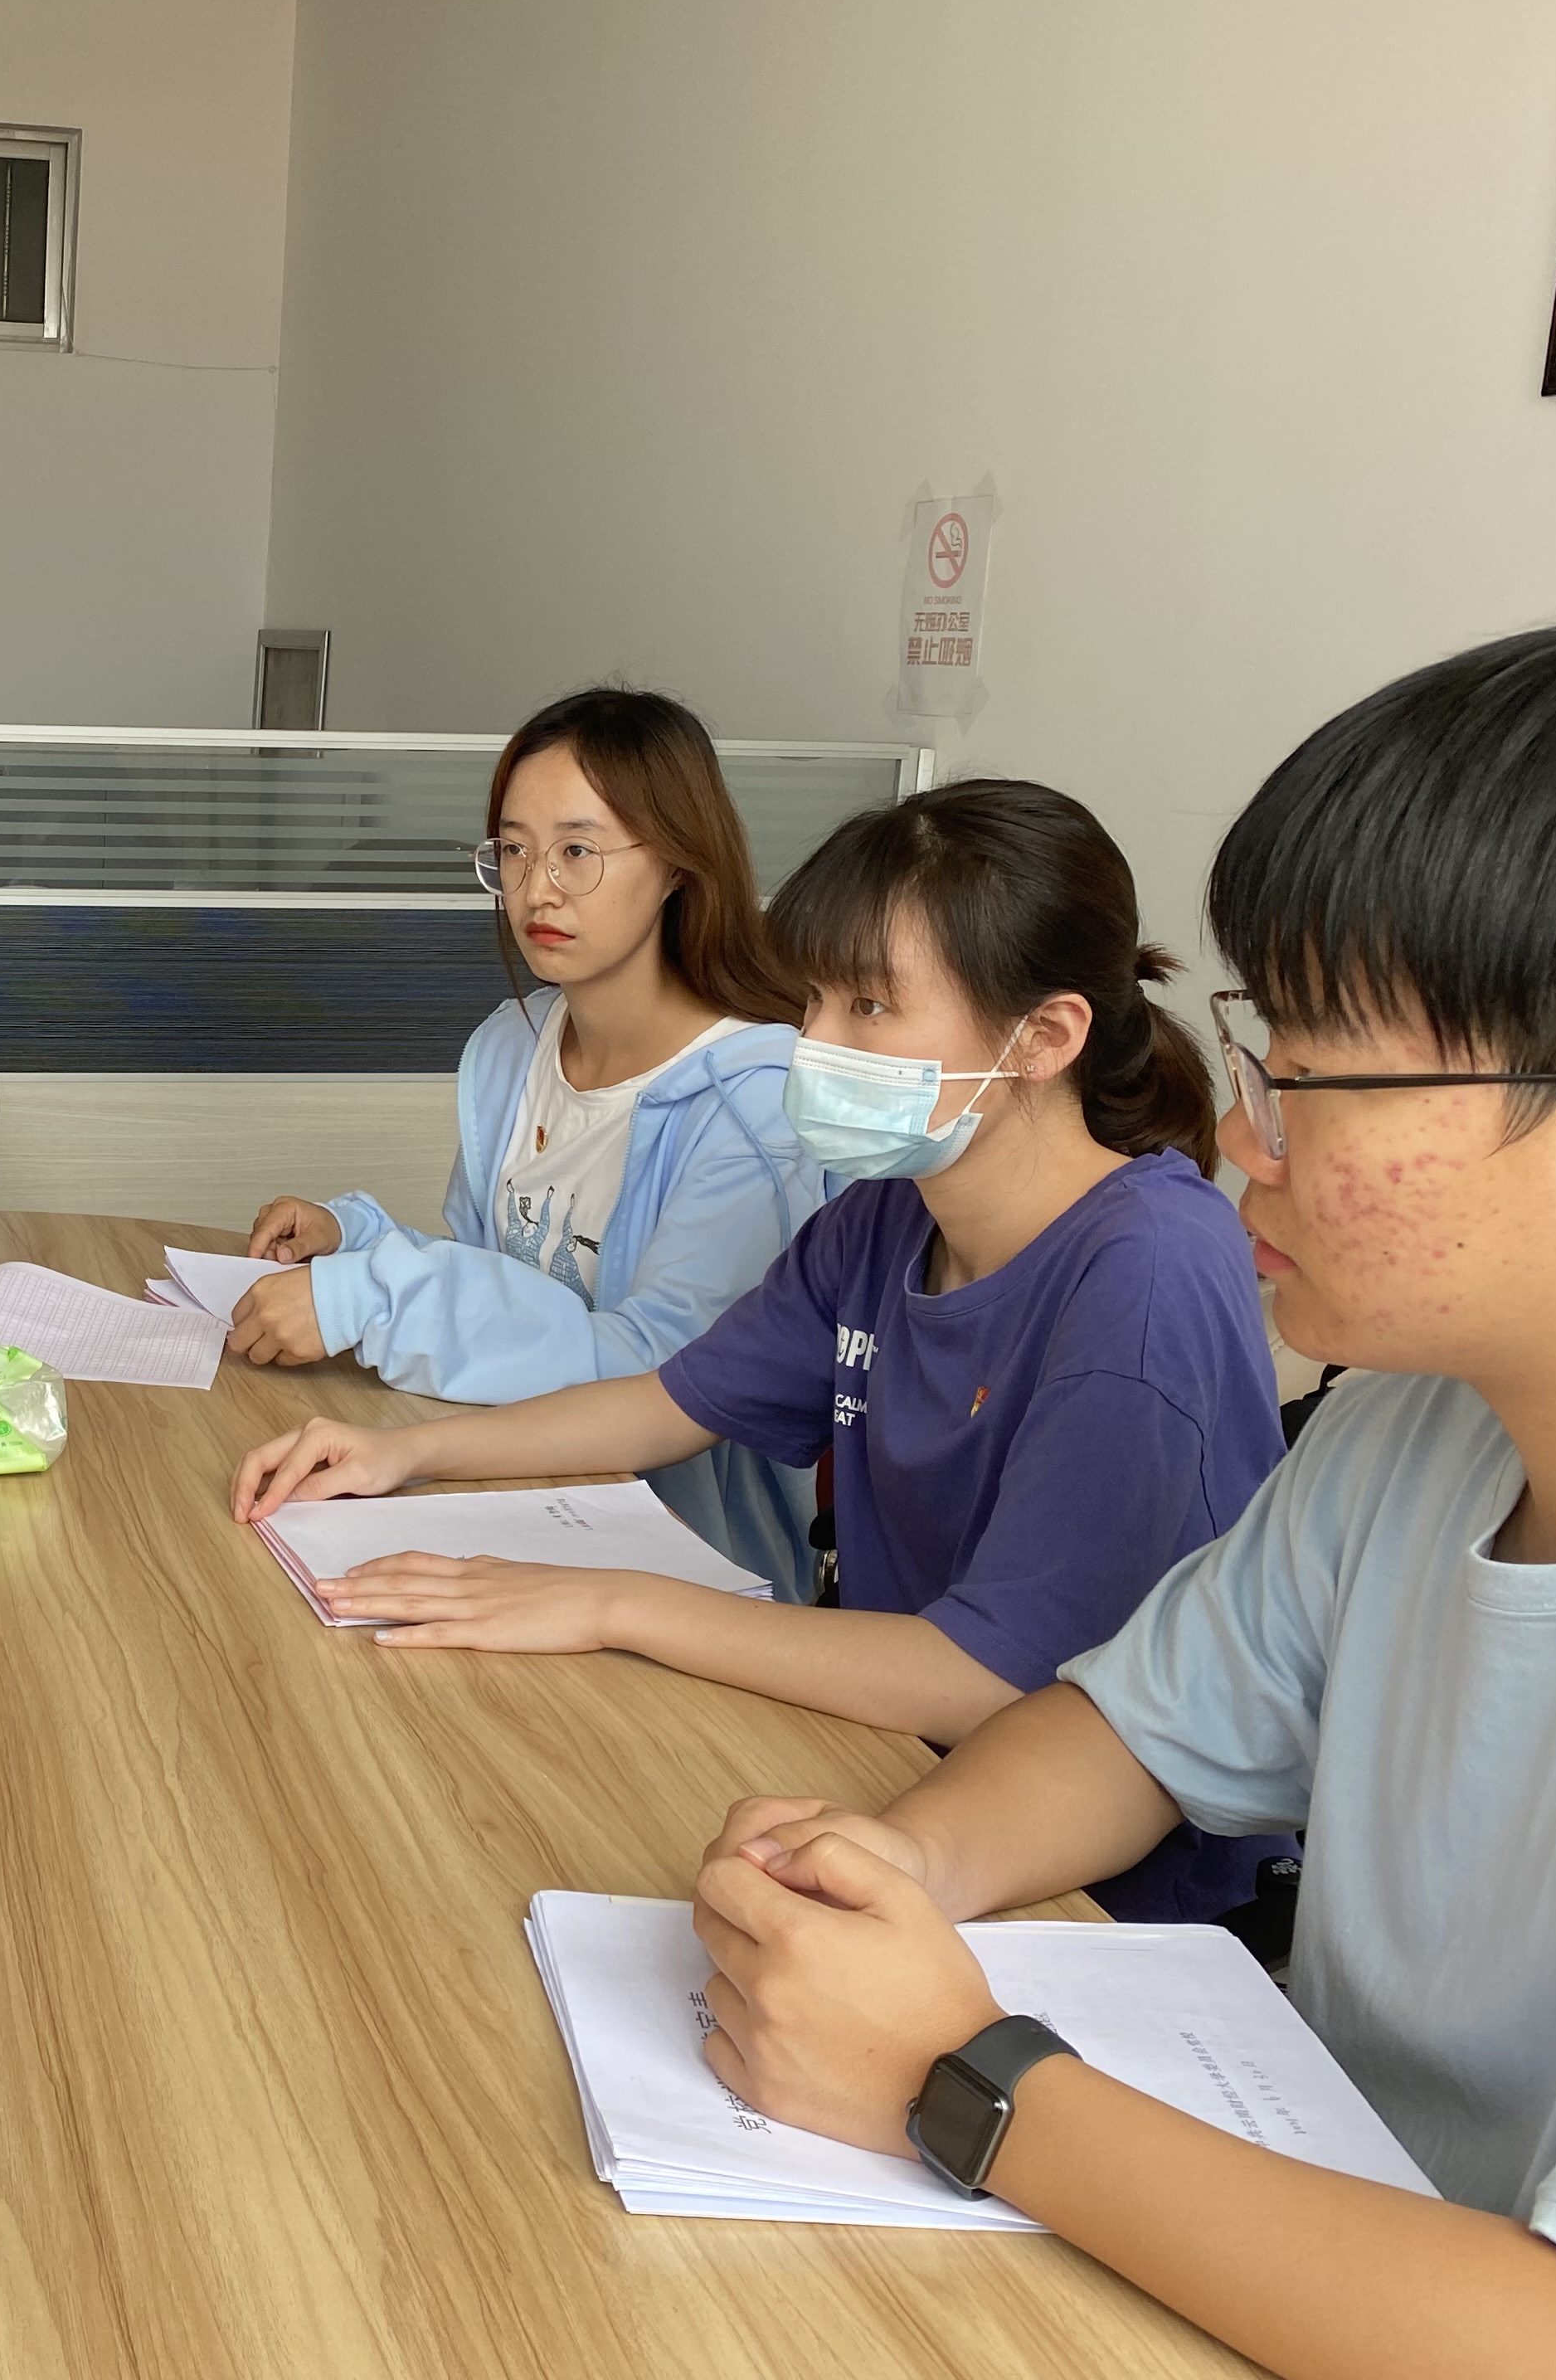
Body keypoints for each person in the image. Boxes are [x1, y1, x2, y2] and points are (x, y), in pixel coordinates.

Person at [683, 622, 1556, 2376]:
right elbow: (1136, 1728)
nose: (1247, 1136)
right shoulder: (1414, 1431)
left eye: (1309, 1078)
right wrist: (907, 1862)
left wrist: (965, 2082)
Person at [236, 778, 1286, 1924]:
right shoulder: (886, 1216)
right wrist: (410, 1455)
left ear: (1043, 1038)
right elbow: (670, 1402)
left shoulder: (1149, 1268)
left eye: (869, 1007)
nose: (814, 1044)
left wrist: (611, 1605)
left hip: (1099, 1895)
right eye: (816, 999)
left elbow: (989, 1677)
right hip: (881, 1764)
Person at [229, 687, 827, 1595]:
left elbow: (659, 1374)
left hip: (683, 1559)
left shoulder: (756, 1101)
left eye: (578, 851)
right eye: (513, 850)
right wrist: (355, 1238)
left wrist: (372, 1298)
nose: (537, 888)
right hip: (505, 1492)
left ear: (678, 864)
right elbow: (499, 1278)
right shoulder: (514, 1044)